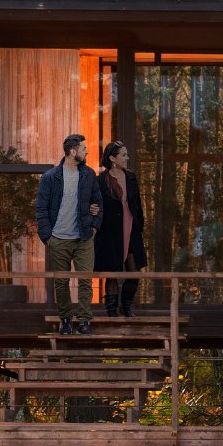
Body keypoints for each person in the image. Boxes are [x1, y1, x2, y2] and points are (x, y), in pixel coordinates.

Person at [35, 133, 102, 333]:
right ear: (73, 152)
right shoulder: (50, 177)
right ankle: (65, 320)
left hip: (83, 238)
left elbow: (99, 202)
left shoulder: (89, 174)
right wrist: (48, 237)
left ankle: (84, 321)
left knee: (85, 281)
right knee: (61, 283)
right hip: (58, 239)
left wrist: (94, 226)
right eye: (83, 149)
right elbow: (41, 209)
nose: (87, 151)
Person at [95, 140, 146, 316]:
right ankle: (111, 311)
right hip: (110, 233)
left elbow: (137, 204)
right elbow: (94, 204)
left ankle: (126, 307)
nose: (127, 157)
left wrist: (140, 226)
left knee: (134, 272)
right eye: (123, 155)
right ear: (112, 158)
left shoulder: (131, 177)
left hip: (131, 230)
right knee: (112, 273)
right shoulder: (100, 181)